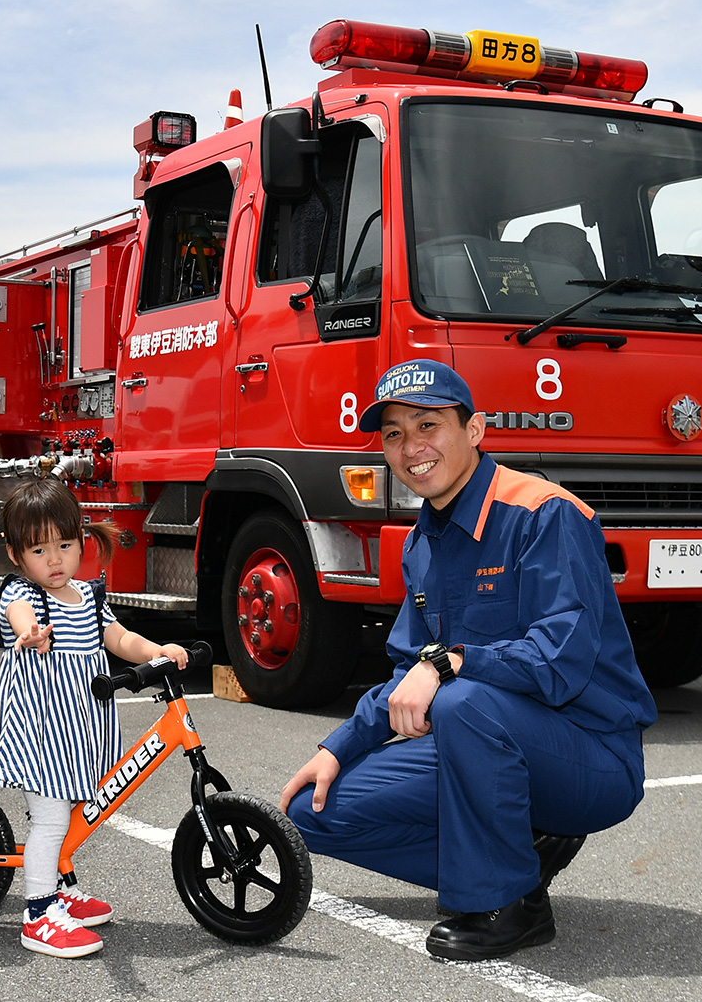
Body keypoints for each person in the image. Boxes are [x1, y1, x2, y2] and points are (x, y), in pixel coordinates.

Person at [279, 359, 656, 962]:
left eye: (429, 425)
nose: (411, 447)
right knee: (314, 812)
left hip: (590, 754)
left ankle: (509, 905)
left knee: (459, 697)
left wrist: (450, 662)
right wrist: (338, 747)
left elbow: (558, 660)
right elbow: (409, 670)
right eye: (395, 434)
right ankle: (516, 858)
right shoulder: (422, 542)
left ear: (475, 429)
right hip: (485, 737)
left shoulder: (546, 513)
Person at [0, 477, 191, 959]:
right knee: (49, 819)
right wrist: (30, 634)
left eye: (64, 545)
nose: (54, 560)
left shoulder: (88, 597)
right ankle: (38, 912)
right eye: (39, 550)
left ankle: (60, 885)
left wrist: (158, 652)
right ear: (15, 554)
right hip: (39, 728)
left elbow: (120, 638)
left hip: (80, 724)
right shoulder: (19, 595)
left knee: (70, 812)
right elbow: (21, 617)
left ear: (81, 542)